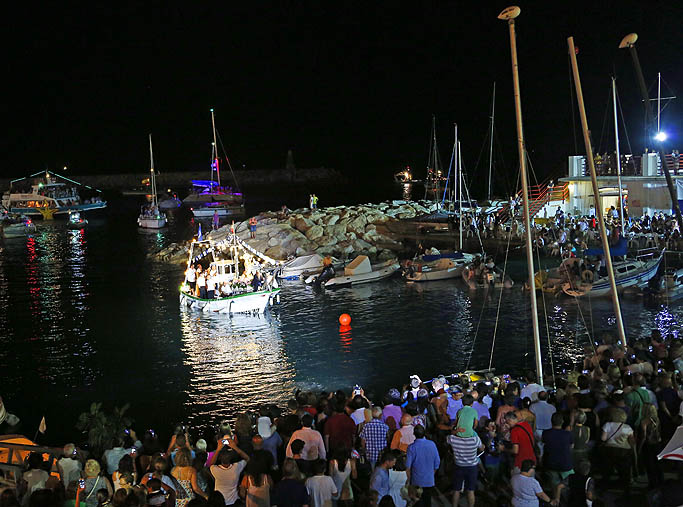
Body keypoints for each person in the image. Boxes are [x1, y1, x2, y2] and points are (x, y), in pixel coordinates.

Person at [446, 421, 484, 507]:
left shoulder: (453, 439)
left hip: (458, 466)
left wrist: (455, 431)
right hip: (472, 467)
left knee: (456, 490)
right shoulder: (475, 439)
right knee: (470, 490)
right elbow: (482, 448)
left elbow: (448, 437)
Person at [405, 425, 439, 507]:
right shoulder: (432, 444)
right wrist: (431, 474)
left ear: (414, 434)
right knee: (427, 502)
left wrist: (408, 481)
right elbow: (437, 463)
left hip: (416, 481)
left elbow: (408, 467)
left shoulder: (411, 447)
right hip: (429, 480)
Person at [210, 437, 251, 506]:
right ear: (231, 457)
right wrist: (235, 447)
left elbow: (211, 464)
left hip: (220, 501)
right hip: (234, 501)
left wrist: (218, 449)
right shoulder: (236, 467)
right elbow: (247, 458)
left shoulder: (215, 470)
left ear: (219, 458)